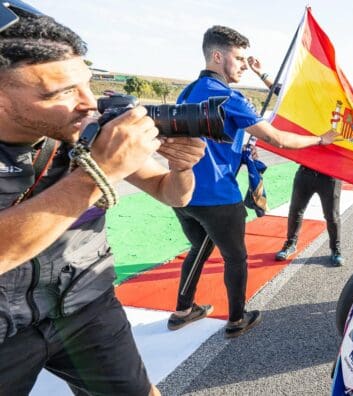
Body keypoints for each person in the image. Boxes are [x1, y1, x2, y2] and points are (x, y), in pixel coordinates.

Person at [0, 2, 206, 395]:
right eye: (61, 92)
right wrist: (100, 172)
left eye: (87, 82)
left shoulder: (84, 128)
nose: (89, 103)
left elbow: (172, 195)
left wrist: (182, 167)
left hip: (85, 306)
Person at [169, 25, 338, 338]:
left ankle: (182, 310)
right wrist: (320, 139)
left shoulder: (188, 91)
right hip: (219, 196)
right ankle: (236, 319)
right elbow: (278, 139)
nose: (244, 64)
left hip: (183, 194)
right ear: (217, 56)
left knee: (199, 247)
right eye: (239, 57)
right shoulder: (230, 97)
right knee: (236, 258)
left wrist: (238, 146)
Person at [274, 165, 344, 266]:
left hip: (330, 175)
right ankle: (290, 244)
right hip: (305, 172)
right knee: (295, 210)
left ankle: (336, 249)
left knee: (332, 215)